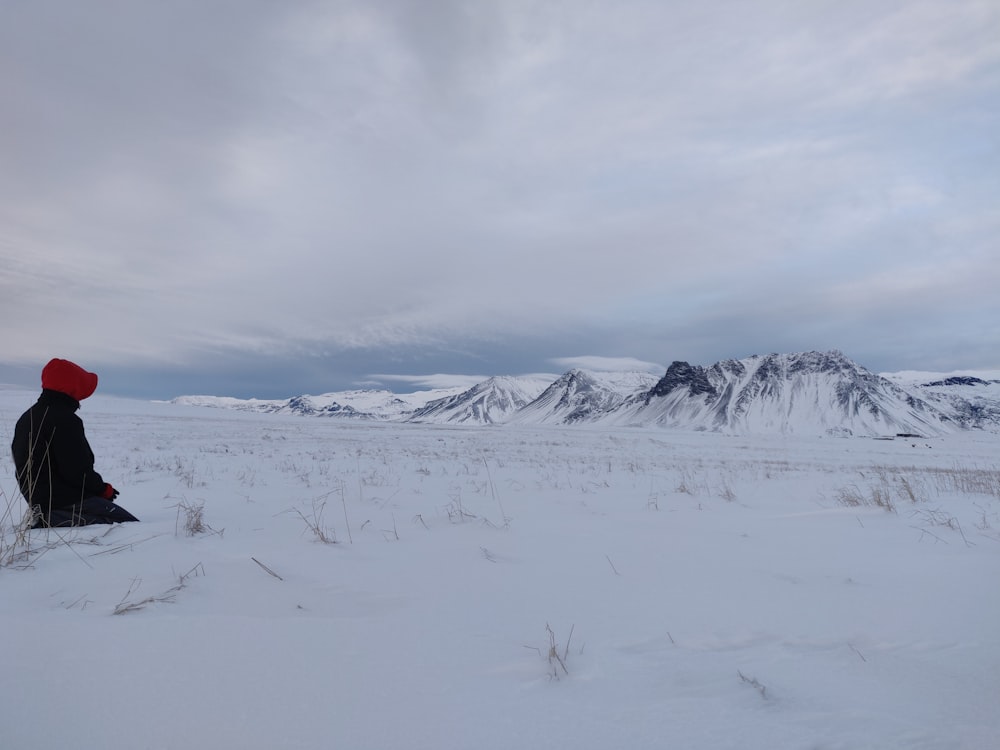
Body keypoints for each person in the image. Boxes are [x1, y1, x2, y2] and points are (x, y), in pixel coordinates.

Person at [11, 358, 139, 527]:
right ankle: (50, 522)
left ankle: (46, 520)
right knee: (129, 526)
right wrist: (102, 490)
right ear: (73, 388)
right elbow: (77, 471)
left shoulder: (28, 417)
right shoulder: (65, 420)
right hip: (66, 503)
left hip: (40, 503)